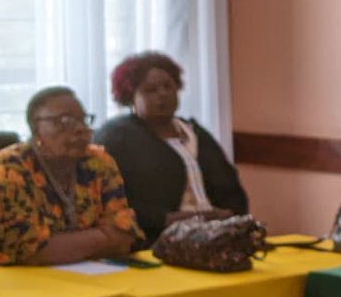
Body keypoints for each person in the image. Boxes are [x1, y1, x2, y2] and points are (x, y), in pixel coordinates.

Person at [0, 87, 141, 265]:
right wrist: (104, 238)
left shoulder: (98, 161)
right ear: (36, 129)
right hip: (16, 276)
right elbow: (26, 250)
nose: (80, 129)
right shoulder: (10, 167)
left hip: (90, 271)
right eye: (64, 121)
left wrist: (63, 245)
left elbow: (124, 235)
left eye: (83, 120)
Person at [95, 51, 248, 243]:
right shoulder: (116, 137)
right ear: (130, 97)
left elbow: (231, 188)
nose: (163, 94)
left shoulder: (195, 132)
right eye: (151, 90)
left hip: (217, 235)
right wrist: (168, 219)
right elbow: (113, 201)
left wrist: (228, 214)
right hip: (157, 240)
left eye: (168, 86)